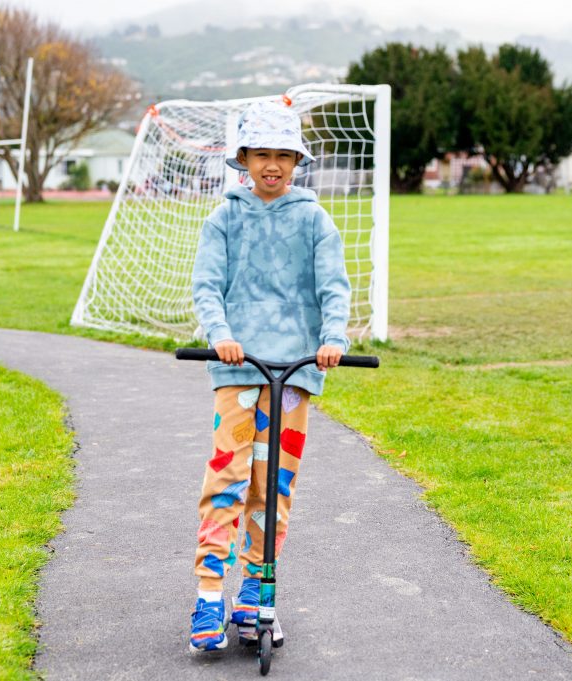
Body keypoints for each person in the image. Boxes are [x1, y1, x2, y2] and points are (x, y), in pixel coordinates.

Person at [188, 100, 351, 652]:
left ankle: (257, 590)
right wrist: (220, 333)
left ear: (298, 161)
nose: (273, 165)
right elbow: (207, 285)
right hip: (238, 366)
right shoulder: (225, 218)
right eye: (261, 154)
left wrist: (332, 339)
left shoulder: (314, 219)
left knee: (273, 484)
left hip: (295, 370)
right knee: (228, 477)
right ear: (243, 159)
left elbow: (333, 286)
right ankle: (210, 591)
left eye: (284, 155)